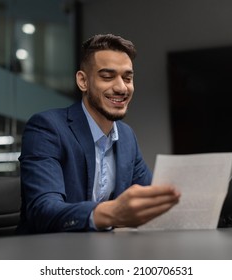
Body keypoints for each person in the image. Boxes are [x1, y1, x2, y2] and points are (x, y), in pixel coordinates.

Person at [17, 34, 180, 234]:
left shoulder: (127, 136)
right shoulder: (47, 128)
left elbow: (151, 200)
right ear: (83, 81)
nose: (121, 87)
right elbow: (43, 211)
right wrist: (111, 213)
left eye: (127, 78)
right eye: (107, 76)